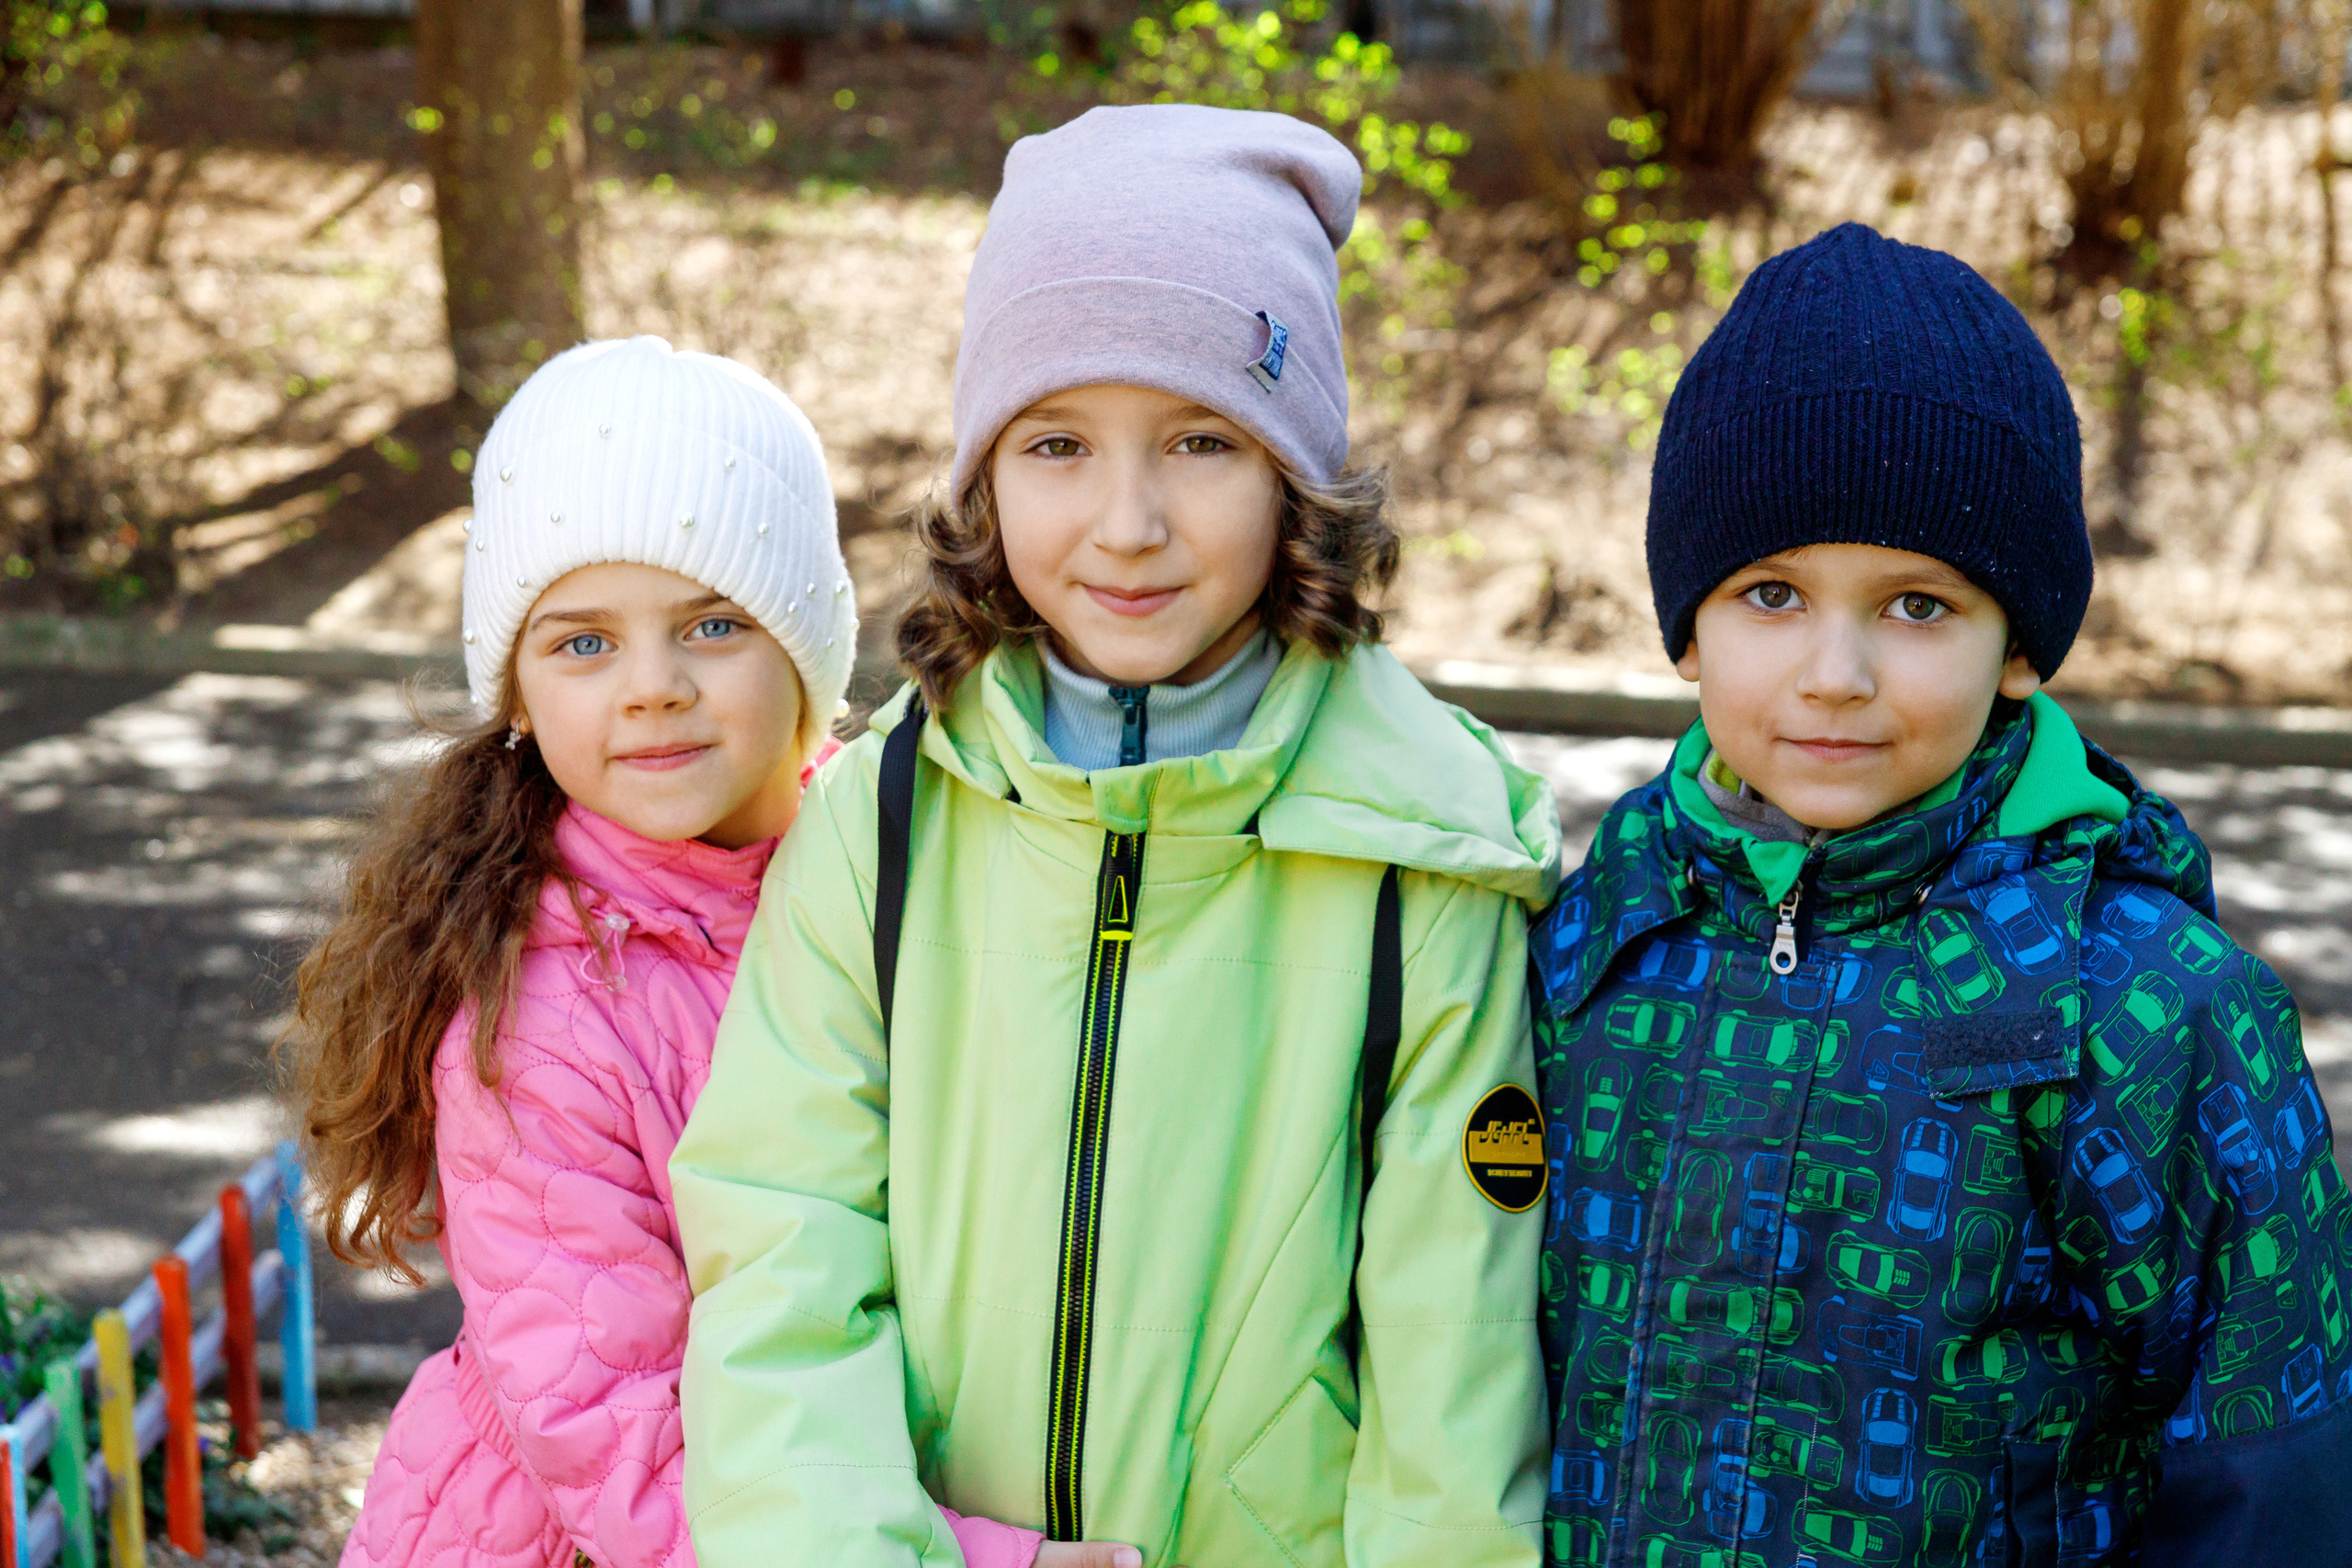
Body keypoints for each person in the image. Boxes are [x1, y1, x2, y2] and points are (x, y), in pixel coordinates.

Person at [671, 105, 1559, 1568]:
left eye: (1202, 440)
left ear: (1294, 479)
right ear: (987, 477)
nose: (1127, 522)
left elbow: (1453, 1359)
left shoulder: (1425, 860)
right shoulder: (885, 821)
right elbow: (782, 1243)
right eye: (1060, 443)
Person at [1529, 222, 2352, 1566]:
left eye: (1917, 606)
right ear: (1687, 629)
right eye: (1772, 593)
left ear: (2018, 646)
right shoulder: (1600, 942)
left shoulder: (2144, 1008)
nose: (1835, 672)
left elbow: (2274, 1475)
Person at [285, 337, 1049, 1568]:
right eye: (583, 643)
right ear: (521, 692)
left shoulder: (909, 865)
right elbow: (619, 1438)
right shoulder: (536, 1019)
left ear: (803, 649)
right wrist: (959, 1556)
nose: (651, 687)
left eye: (710, 624)